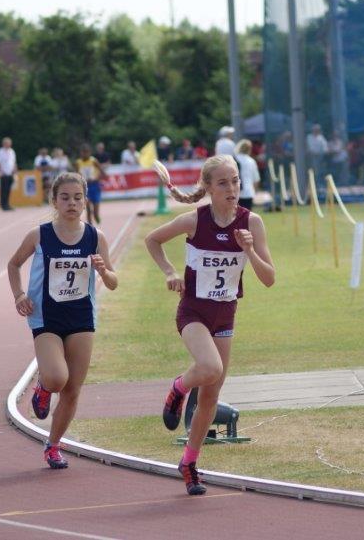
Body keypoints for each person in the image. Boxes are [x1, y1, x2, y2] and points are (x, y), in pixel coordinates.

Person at [145, 156, 275, 495]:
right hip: (192, 312)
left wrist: (249, 249)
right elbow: (152, 240)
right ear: (209, 189)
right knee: (209, 367)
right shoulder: (194, 220)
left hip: (225, 315)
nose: (232, 188)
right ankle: (177, 388)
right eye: (223, 183)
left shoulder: (252, 223)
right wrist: (170, 272)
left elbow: (269, 278)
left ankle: (189, 462)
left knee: (212, 396)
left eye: (235, 181)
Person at [7, 172, 118, 469]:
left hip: (81, 316)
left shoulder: (96, 237)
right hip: (46, 317)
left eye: (77, 197)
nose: (72, 203)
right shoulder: (40, 235)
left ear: (85, 200)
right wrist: (19, 294)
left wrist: (103, 271)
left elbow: (113, 281)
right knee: (57, 378)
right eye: (65, 197)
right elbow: (14, 263)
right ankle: (43, 387)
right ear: (54, 201)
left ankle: (53, 445)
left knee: (73, 389)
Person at [76, 145, 104, 226]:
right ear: (81, 153)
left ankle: (98, 222)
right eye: (83, 153)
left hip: (95, 186)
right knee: (88, 209)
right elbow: (76, 175)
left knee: (95, 213)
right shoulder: (78, 162)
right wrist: (81, 180)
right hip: (85, 187)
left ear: (89, 153)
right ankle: (90, 227)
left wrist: (96, 178)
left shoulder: (93, 161)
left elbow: (102, 172)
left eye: (86, 152)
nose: (85, 154)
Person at [235, 139, 259, 211]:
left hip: (235, 192)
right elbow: (256, 179)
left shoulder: (234, 159)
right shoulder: (251, 161)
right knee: (247, 217)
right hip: (249, 192)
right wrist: (255, 192)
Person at [0, 137, 17, 211]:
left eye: (9, 143)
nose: (8, 144)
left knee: (8, 190)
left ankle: (7, 204)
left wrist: (14, 170)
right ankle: (3, 205)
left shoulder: (12, 151)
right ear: (4, 144)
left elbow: (13, 162)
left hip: (10, 173)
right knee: (3, 190)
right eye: (7, 143)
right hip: (3, 174)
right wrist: (1, 171)